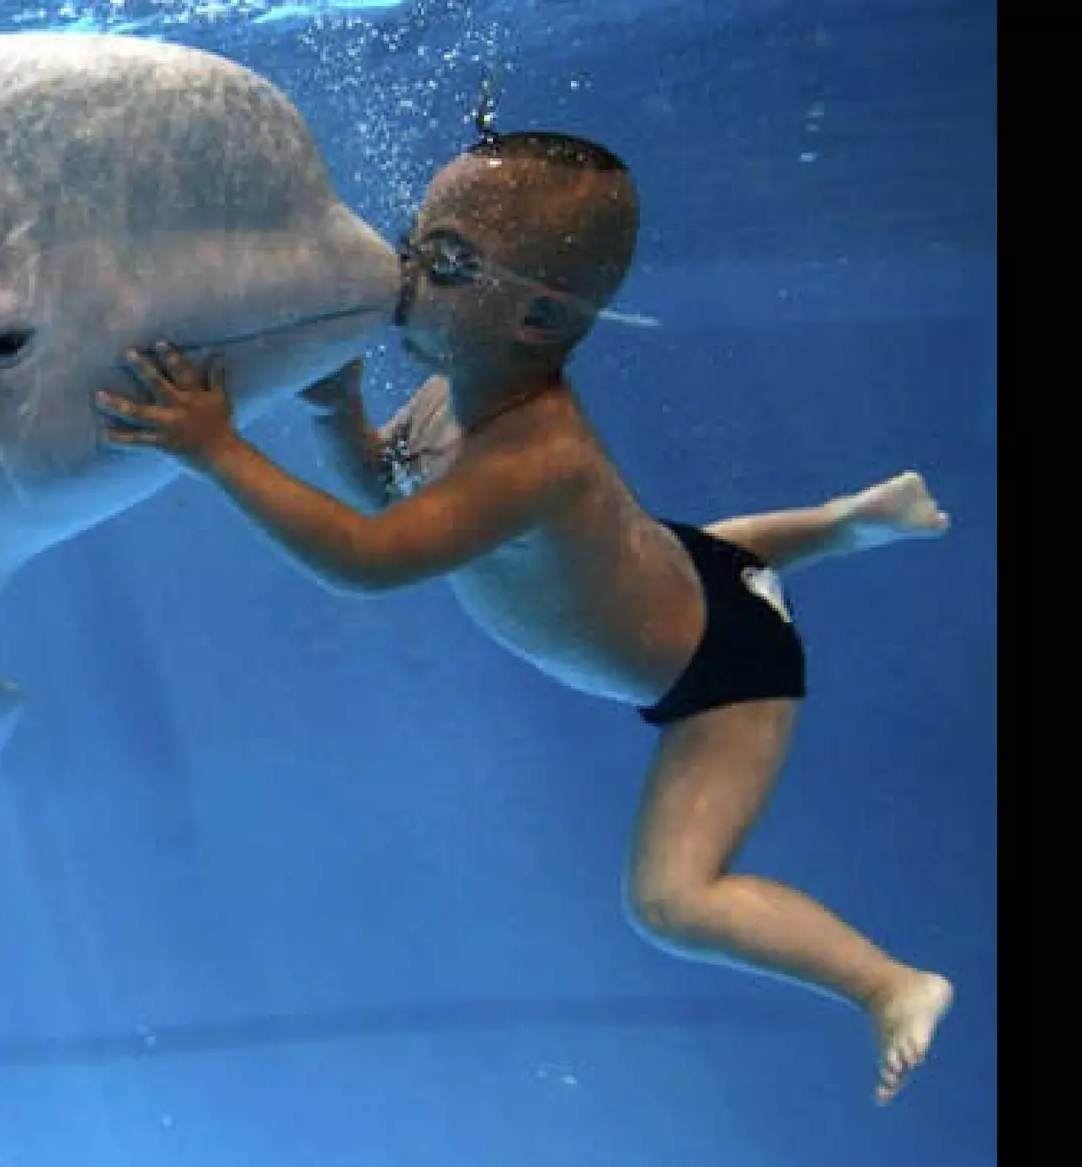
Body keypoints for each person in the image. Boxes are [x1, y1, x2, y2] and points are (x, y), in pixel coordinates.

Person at [92, 129, 953, 1105]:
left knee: (670, 902)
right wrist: (338, 418)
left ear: (539, 317)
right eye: (414, 238)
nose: (404, 270)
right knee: (681, 556)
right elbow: (387, 491)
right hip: (693, 571)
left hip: (725, 670)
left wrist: (214, 450)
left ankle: (887, 985)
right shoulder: (451, 395)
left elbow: (364, 560)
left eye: (447, 261)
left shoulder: (531, 461)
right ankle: (840, 524)